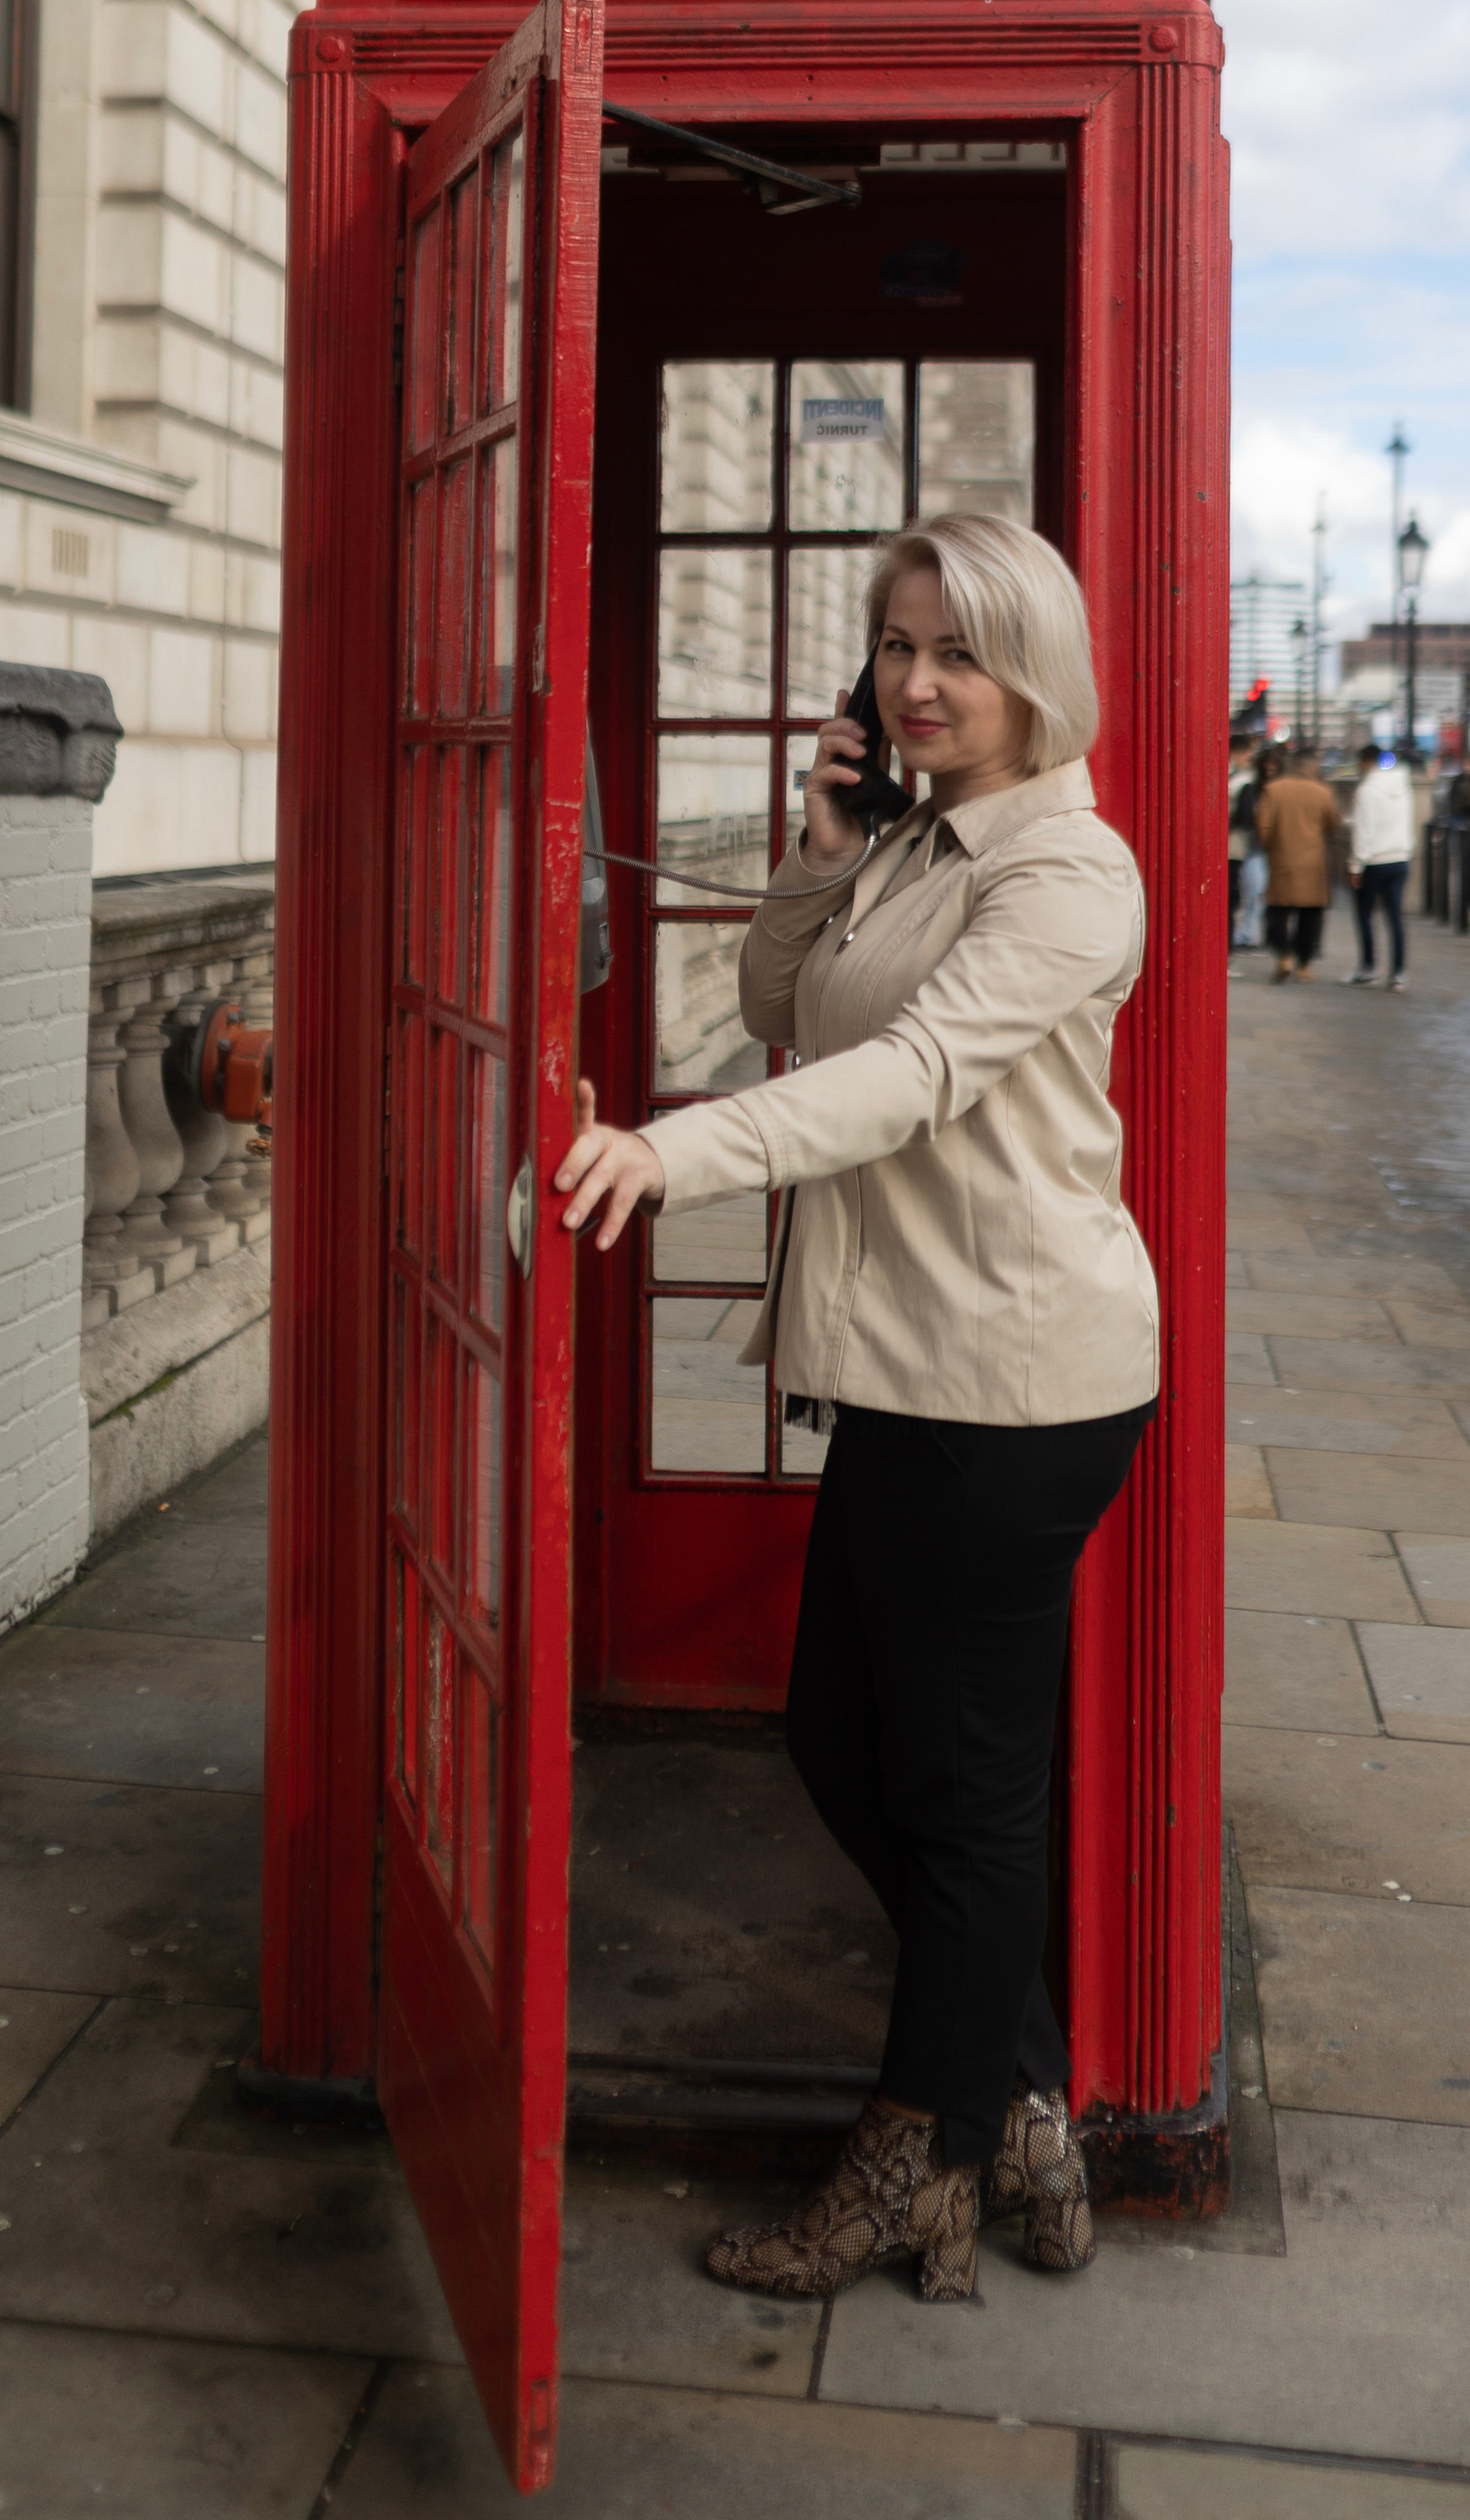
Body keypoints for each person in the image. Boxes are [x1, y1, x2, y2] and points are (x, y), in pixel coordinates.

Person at [554, 515, 1158, 2308]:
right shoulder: (907, 841)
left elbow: (898, 1082)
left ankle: (910, 2164)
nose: (911, 685)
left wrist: (663, 1154)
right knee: (838, 1736)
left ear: (1028, 663)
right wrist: (822, 858)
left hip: (1018, 1376)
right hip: (908, 1363)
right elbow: (778, 1012)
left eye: (950, 652)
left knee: (960, 1795)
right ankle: (1020, 2100)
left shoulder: (1066, 869)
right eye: (893, 649)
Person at [1253, 747, 1339, 980]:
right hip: (1313, 863)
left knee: (1278, 912)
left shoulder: (1273, 789)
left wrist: (1271, 848)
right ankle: (1304, 964)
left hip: (1282, 859)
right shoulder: (1323, 792)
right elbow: (1333, 824)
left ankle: (1284, 955)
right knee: (1311, 915)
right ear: (1313, 767)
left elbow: (1264, 826)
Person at [1346, 746, 1416, 989]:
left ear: (1365, 762)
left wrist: (1356, 865)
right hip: (1400, 858)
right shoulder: (1403, 786)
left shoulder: (1366, 790)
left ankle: (1368, 967)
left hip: (1374, 861)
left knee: (1365, 915)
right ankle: (1398, 972)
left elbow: (1363, 831)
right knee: (1395, 917)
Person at [1227, 732, 1263, 950]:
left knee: (1230, 896)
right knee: (1231, 897)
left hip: (1230, 844)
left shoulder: (1236, 778)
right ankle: (1228, 946)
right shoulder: (1243, 781)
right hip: (1236, 845)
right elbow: (1245, 817)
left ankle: (1228, 944)